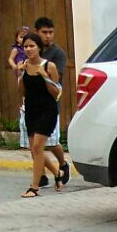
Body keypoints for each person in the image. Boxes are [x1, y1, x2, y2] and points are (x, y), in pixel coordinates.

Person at [17, 32, 64, 198]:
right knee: (34, 149)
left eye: (32, 46)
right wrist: (21, 75)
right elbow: (22, 91)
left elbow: (57, 92)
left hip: (47, 111)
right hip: (31, 111)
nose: (29, 49)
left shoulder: (48, 66)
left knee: (37, 147)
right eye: (26, 47)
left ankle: (34, 188)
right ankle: (57, 173)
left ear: (39, 48)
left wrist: (45, 77)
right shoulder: (23, 65)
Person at [34, 16, 72, 185]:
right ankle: (41, 175)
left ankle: (63, 164)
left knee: (51, 142)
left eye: (50, 32)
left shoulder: (58, 54)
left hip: (50, 103)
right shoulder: (33, 51)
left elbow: (56, 79)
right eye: (44, 32)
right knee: (34, 142)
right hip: (33, 103)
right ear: (37, 33)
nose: (48, 36)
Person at [6, 26, 32, 150]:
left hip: (29, 72)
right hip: (21, 74)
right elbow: (10, 59)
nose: (23, 40)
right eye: (21, 37)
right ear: (17, 39)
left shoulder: (29, 50)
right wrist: (14, 67)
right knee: (24, 96)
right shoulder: (16, 50)